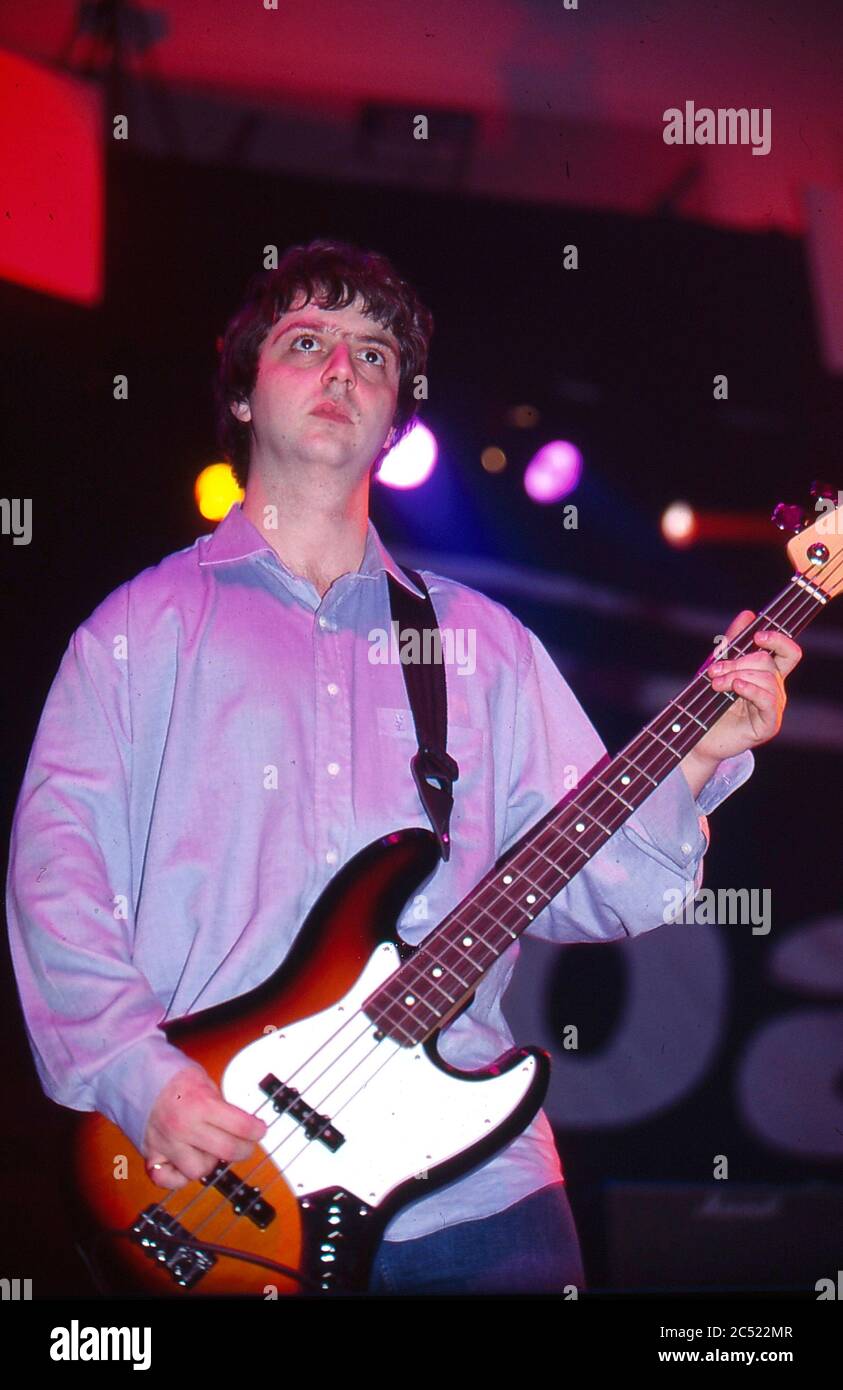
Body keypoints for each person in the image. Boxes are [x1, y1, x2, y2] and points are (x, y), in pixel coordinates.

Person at [5, 238, 801, 1296]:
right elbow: (55, 882)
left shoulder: (484, 644)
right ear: (243, 395)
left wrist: (697, 755)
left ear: (396, 417)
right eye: (306, 343)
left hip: (479, 1194)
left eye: (373, 356)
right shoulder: (139, 631)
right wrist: (142, 1082)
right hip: (219, 1164)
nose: (343, 370)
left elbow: (606, 886)